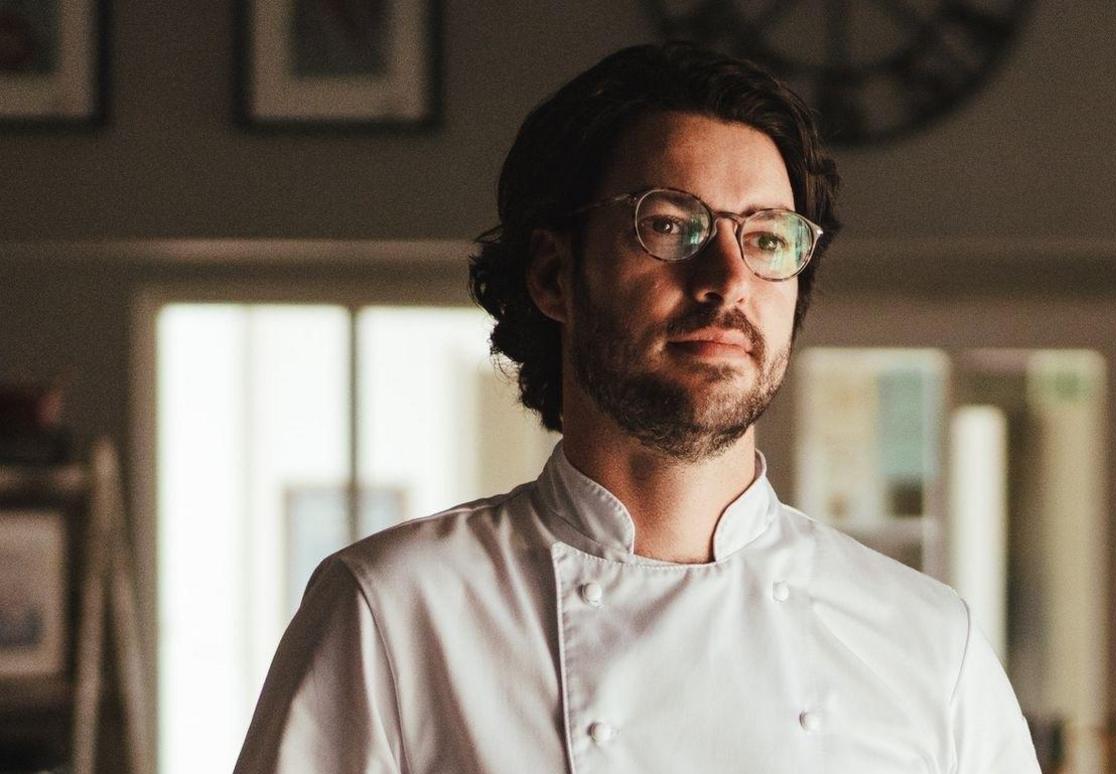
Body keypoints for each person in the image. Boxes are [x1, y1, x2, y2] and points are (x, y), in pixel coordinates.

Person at [234, 42, 1040, 773]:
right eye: (670, 224)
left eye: (767, 238)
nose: (726, 278)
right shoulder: (395, 613)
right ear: (553, 276)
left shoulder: (929, 645)